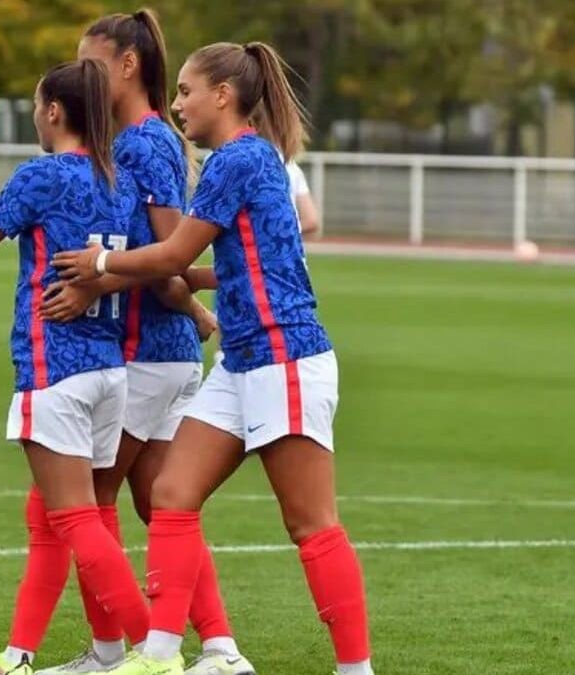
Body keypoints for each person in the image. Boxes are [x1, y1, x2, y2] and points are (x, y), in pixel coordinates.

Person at [53, 41, 373, 675]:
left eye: (187, 92)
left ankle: (355, 669)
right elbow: (238, 263)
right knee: (172, 492)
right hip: (243, 360)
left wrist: (103, 264)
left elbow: (172, 256)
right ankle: (164, 656)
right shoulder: (248, 159)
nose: (177, 104)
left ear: (222, 96)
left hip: (284, 358)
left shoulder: (237, 160)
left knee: (310, 524)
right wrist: (136, 278)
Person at [27, 10, 252, 675]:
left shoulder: (142, 144)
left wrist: (99, 283)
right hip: (159, 350)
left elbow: (168, 256)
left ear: (127, 65)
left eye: (91, 63)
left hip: (147, 352)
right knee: (161, 504)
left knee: (83, 504)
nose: (81, 77)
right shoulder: (132, 139)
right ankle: (219, 646)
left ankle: (118, 652)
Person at [0, 59, 151, 675]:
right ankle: (39, 654)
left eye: (36, 106)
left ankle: (154, 650)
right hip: (110, 370)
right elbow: (134, 261)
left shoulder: (43, 177)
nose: (34, 116)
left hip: (54, 368)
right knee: (68, 515)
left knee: (75, 520)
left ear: (54, 111)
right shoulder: (118, 180)